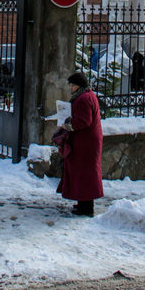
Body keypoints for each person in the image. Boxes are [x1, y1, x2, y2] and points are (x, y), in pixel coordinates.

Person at [56, 70, 104, 217]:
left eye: (72, 85)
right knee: (82, 173)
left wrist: (68, 124)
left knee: (85, 174)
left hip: (86, 143)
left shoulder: (84, 98)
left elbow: (84, 121)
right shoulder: (86, 96)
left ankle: (86, 207)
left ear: (78, 85)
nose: (70, 88)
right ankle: (82, 203)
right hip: (85, 141)